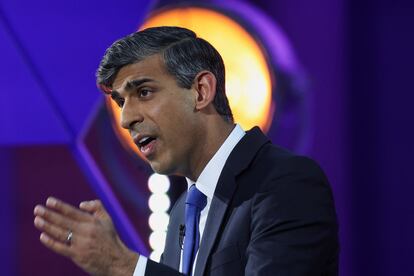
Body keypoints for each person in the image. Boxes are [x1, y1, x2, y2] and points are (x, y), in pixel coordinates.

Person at [33, 26, 339, 275]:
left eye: (144, 92)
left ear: (201, 91)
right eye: (121, 102)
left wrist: (124, 266)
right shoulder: (182, 212)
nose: (127, 119)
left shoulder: (284, 183)